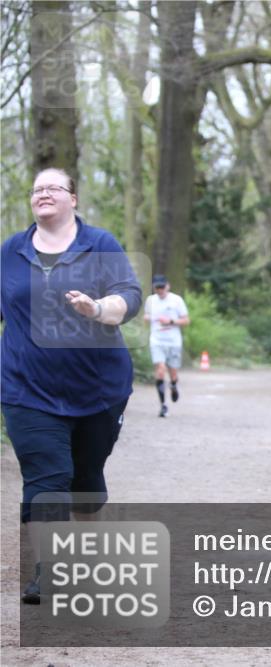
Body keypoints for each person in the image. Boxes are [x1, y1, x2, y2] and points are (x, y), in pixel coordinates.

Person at [1, 168, 142, 603]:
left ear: (73, 199)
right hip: (27, 389)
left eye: (53, 188)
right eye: (37, 188)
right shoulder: (10, 251)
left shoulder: (99, 244)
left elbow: (130, 296)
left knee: (84, 481)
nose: (43, 193)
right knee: (47, 477)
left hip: (97, 390)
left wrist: (98, 307)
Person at [143, 275, 190, 417]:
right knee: (160, 369)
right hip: (157, 340)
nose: (160, 290)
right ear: (154, 288)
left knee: (173, 373)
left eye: (162, 287)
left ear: (167, 286)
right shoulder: (150, 300)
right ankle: (163, 406)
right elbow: (146, 317)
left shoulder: (176, 300)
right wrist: (148, 318)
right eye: (157, 287)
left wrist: (170, 321)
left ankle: (174, 385)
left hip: (173, 341)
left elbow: (186, 320)